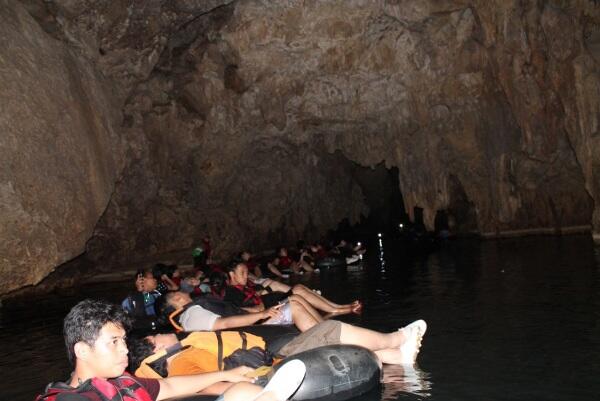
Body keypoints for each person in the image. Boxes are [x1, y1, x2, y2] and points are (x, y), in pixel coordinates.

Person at [35, 299, 307, 401]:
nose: (125, 350)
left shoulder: (124, 382)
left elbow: (172, 387)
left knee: (239, 391)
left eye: (123, 341)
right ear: (82, 350)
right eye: (114, 342)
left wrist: (231, 374)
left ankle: (267, 397)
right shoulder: (71, 400)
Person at [128, 318, 428, 379]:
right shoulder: (178, 365)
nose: (165, 334)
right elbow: (203, 387)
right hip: (265, 369)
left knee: (318, 333)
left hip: (264, 357)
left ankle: (396, 358)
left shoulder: (182, 352)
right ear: (154, 350)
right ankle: (396, 338)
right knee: (327, 330)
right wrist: (236, 373)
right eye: (158, 337)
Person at [225, 262, 361, 315]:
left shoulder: (243, 286)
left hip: (273, 301)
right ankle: (336, 310)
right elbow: (237, 309)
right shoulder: (231, 291)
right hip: (271, 309)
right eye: (242, 273)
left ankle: (337, 306)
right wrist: (260, 305)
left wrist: (261, 293)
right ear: (232, 274)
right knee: (298, 290)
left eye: (246, 272)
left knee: (299, 287)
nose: (246, 276)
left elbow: (253, 295)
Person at [163, 290, 323, 332]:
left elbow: (231, 311)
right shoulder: (191, 314)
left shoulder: (195, 308)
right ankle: (328, 338)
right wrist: (262, 314)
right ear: (177, 298)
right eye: (180, 292)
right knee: (294, 307)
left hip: (248, 324)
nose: (183, 292)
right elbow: (224, 324)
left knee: (294, 299)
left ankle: (327, 327)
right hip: (248, 331)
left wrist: (257, 312)